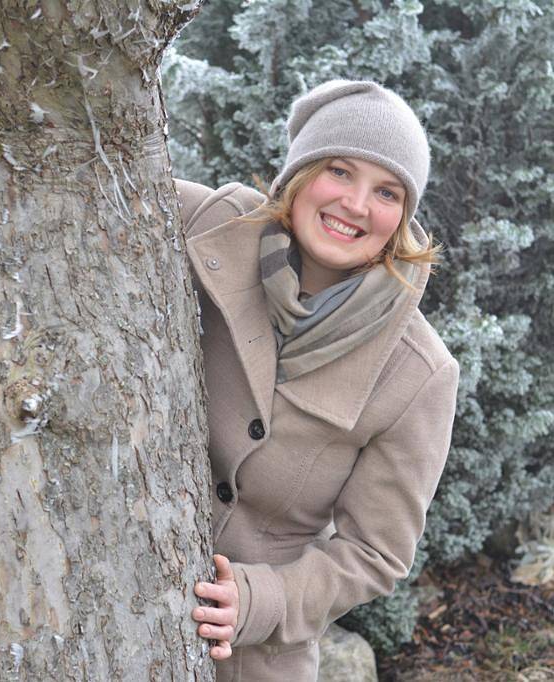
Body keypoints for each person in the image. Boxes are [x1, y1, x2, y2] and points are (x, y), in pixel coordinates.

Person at [181, 81, 459, 680]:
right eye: (340, 171)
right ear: (299, 175)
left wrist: (260, 601)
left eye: (387, 191)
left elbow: (373, 554)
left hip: (254, 660)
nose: (357, 205)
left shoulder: (419, 370)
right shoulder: (210, 224)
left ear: (402, 218)